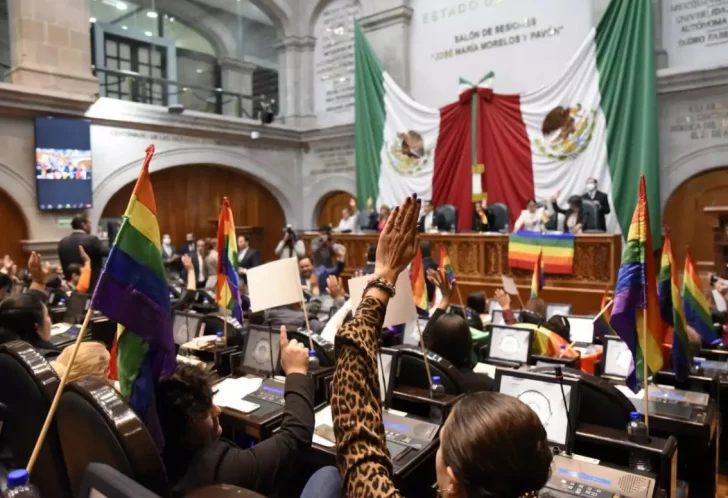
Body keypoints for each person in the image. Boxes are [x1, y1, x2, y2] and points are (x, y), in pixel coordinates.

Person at [331, 194, 553, 497]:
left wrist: (384, 276)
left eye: (441, 444)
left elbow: (359, 443)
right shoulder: (523, 485)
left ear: (451, 480)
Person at [156, 326, 315, 497]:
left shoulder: (154, 457)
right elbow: (295, 437)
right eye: (204, 411)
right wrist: (296, 371)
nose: (217, 410)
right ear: (181, 426)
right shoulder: (221, 471)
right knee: (327, 473)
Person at [424, 269, 492, 392]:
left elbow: (425, 338)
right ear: (469, 344)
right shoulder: (485, 385)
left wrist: (445, 300)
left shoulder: (425, 376)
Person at [0, 292, 57, 359]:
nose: (51, 321)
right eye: (47, 315)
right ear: (37, 328)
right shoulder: (52, 360)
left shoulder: (5, 354)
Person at [57, 214, 106, 291]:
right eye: (89, 223)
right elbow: (108, 253)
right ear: (83, 225)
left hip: (71, 288)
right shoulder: (92, 240)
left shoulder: (63, 242)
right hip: (91, 287)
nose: (90, 226)